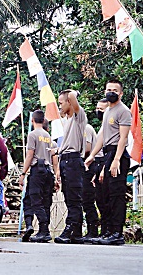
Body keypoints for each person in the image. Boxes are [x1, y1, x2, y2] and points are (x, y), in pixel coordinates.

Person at [85, 80, 131, 245]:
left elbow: (123, 138)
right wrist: (92, 155)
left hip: (118, 154)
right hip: (107, 153)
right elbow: (102, 136)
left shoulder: (123, 111)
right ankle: (109, 231)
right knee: (106, 195)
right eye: (108, 89)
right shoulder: (107, 112)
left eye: (115, 90)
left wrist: (116, 159)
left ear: (121, 93)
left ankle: (117, 233)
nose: (111, 92)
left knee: (117, 195)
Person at [19, 110, 59, 243]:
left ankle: (44, 229)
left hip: (37, 170)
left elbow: (30, 155)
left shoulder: (33, 134)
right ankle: (40, 229)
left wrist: (23, 173)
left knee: (35, 200)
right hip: (47, 171)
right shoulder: (47, 135)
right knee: (45, 201)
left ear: (32, 120)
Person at [54, 90, 87, 244]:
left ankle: (70, 228)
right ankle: (77, 232)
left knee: (74, 198)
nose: (59, 106)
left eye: (61, 103)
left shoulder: (78, 117)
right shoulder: (67, 121)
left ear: (69, 102)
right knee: (69, 198)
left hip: (74, 161)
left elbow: (73, 97)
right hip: (65, 160)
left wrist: (73, 93)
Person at [91, 98, 110, 240]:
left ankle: (107, 231)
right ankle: (103, 232)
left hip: (106, 163)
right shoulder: (102, 127)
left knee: (106, 201)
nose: (98, 112)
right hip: (97, 165)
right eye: (97, 109)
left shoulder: (110, 127)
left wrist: (103, 168)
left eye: (101, 110)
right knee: (99, 201)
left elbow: (108, 151)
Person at [81, 117, 100, 241]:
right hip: (84, 166)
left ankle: (93, 230)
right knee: (84, 200)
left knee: (88, 200)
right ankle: (90, 229)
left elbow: (87, 148)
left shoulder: (86, 128)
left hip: (90, 165)